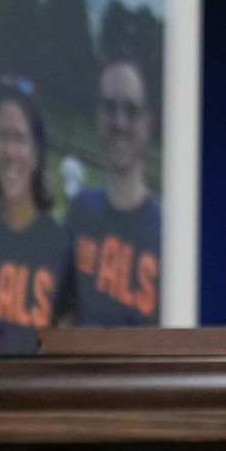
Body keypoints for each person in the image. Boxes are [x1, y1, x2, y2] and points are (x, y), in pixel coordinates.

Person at [0, 83, 70, 356]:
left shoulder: (60, 245)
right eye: (2, 137)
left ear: (36, 153)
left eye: (19, 139)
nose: (9, 151)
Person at [65, 60, 160, 325]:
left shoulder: (165, 234)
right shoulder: (79, 213)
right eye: (109, 107)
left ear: (147, 122)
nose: (120, 122)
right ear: (98, 116)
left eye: (131, 109)